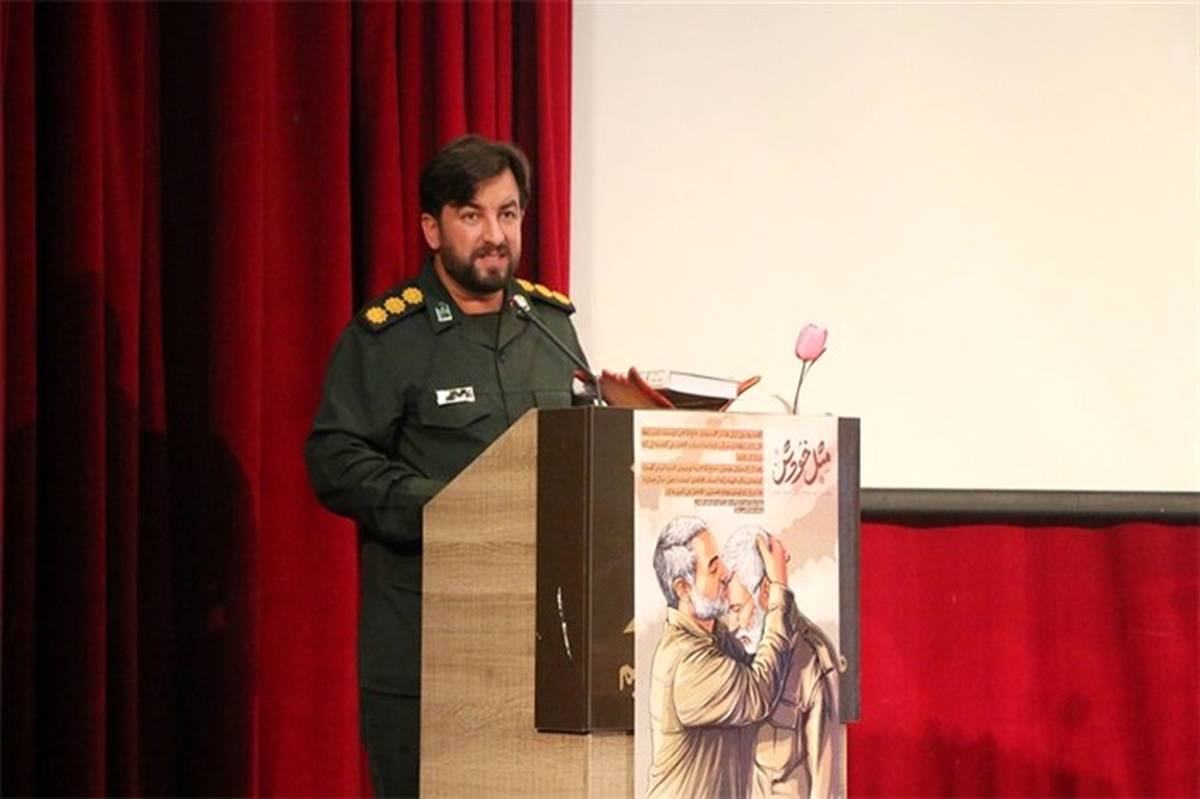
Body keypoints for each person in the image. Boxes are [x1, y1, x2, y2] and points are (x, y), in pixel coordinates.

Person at [304, 135, 587, 797]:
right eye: (471, 215)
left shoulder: (551, 327)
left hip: (544, 655)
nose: (495, 235)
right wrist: (450, 508)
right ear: (432, 229)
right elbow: (335, 460)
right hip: (428, 652)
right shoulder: (388, 337)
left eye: (508, 214)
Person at [646, 516, 798, 799]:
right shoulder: (689, 663)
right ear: (683, 588)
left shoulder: (713, 637)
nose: (726, 573)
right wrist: (779, 591)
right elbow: (760, 690)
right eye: (714, 568)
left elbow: (755, 663)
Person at [722, 525, 845, 799]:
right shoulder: (734, 653)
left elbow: (825, 783)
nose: (734, 624)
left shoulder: (812, 658)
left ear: (767, 590)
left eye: (738, 609)